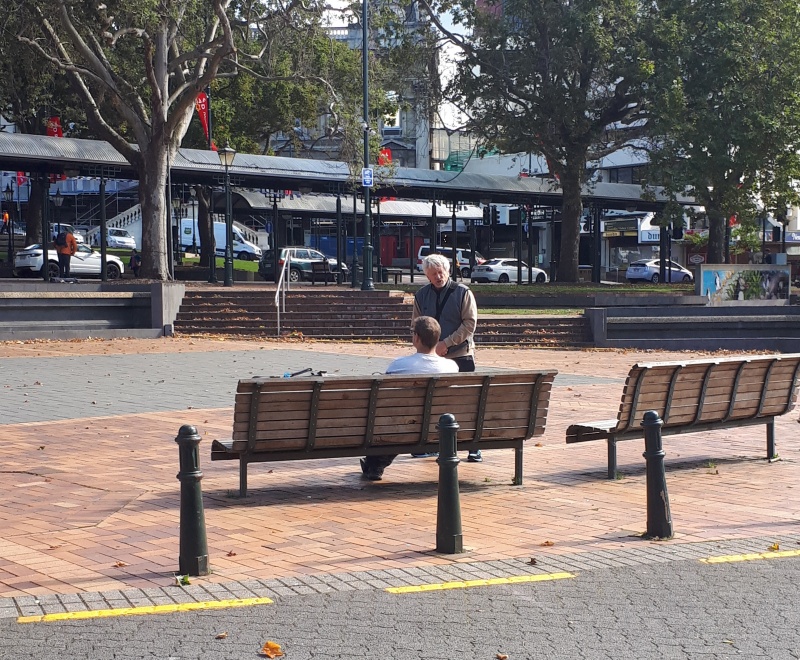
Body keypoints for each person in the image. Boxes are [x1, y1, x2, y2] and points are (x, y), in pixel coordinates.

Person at [360, 316, 458, 481]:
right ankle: (374, 464)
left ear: (416, 338)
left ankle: (375, 464)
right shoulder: (451, 367)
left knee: (389, 422)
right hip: (440, 426)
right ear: (437, 339)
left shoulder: (399, 365)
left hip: (403, 425)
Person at [413, 252, 482, 461]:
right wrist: (430, 348)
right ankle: (433, 444)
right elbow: (417, 325)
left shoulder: (462, 292)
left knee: (466, 401)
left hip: (461, 354)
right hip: (433, 357)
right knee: (435, 401)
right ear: (427, 275)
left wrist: (446, 343)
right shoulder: (421, 295)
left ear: (448, 271)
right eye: (433, 274)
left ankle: (473, 447)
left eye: (441, 272)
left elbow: (469, 324)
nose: (438, 276)